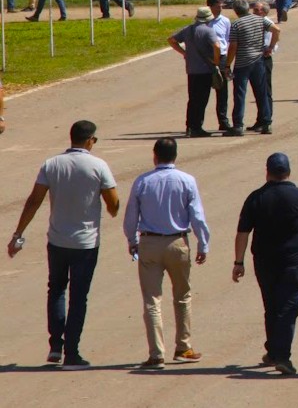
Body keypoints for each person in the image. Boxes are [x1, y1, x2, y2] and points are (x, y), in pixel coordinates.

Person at [9, 120, 119, 368]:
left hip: (57, 240)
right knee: (79, 297)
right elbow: (113, 205)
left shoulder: (52, 164)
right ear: (90, 140)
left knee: (56, 290)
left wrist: (18, 233)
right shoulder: (98, 165)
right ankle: (72, 352)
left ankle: (55, 346)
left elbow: (34, 200)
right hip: (86, 243)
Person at [123, 136, 212, 368]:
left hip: (149, 244)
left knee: (152, 300)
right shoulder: (187, 180)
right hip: (178, 243)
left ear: (155, 155)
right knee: (182, 296)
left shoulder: (142, 182)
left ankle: (156, 353)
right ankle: (183, 346)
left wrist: (132, 241)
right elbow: (197, 216)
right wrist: (203, 243)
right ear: (176, 155)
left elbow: (131, 216)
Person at [233, 152, 298, 375]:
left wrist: (239, 261)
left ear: (267, 172)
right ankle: (282, 356)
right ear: (288, 172)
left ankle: (273, 351)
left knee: (272, 306)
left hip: (265, 262)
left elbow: (243, 232)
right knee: (288, 306)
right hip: (295, 262)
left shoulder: (255, 198)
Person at [171, 8, 229, 137]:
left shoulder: (187, 29)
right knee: (202, 100)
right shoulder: (208, 31)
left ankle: (190, 126)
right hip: (205, 70)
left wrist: (184, 53)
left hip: (191, 70)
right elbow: (217, 46)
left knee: (193, 99)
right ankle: (197, 127)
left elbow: (172, 40)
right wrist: (216, 60)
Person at [227, 0, 280, 137]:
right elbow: (276, 30)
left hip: (243, 63)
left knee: (240, 94)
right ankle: (266, 123)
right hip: (258, 60)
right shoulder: (260, 20)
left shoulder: (236, 24)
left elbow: (233, 46)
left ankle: (238, 125)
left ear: (236, 11)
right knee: (261, 92)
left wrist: (227, 64)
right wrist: (271, 47)